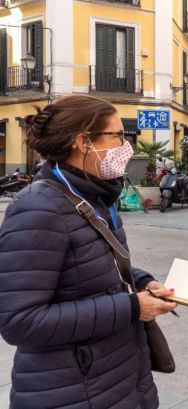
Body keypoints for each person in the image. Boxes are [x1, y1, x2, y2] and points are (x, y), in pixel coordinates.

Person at [0, 95, 177, 409]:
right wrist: (131, 308)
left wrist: (143, 283)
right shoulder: (38, 209)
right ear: (83, 142)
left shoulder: (93, 196)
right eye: (118, 136)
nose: (127, 146)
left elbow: (96, 265)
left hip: (116, 381)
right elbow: (19, 321)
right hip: (72, 392)